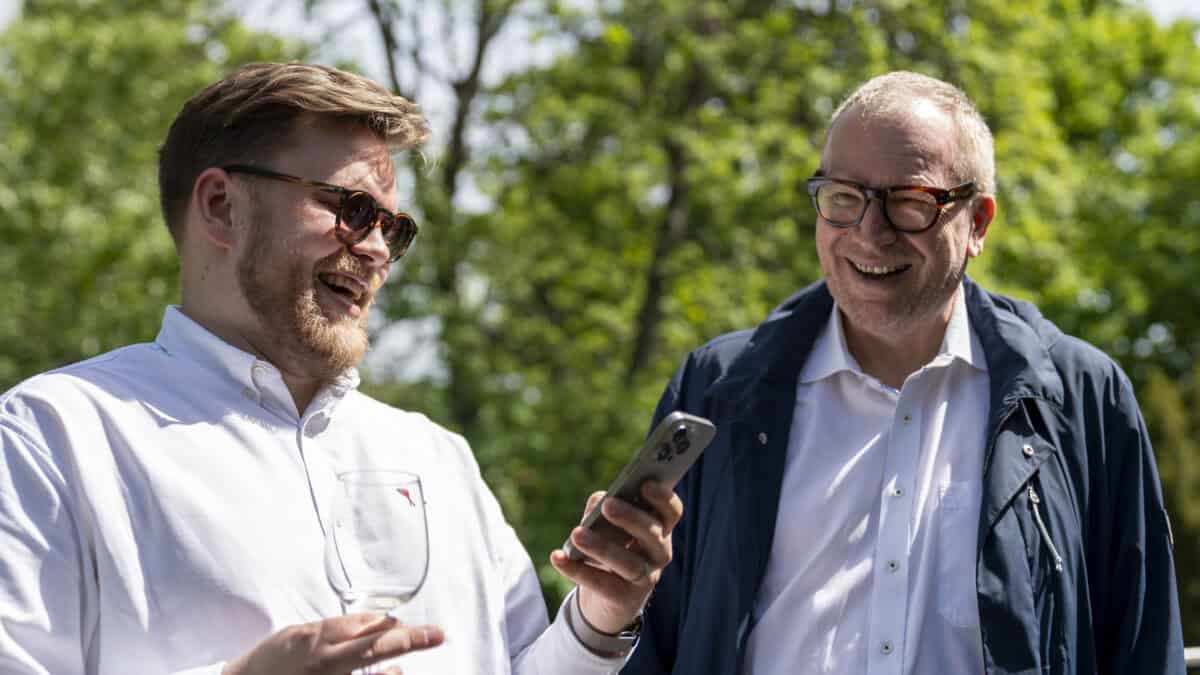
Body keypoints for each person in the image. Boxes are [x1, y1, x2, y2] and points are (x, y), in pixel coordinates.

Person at [0, 62, 679, 675]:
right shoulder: (53, 437)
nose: (379, 250)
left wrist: (596, 622)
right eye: (353, 210)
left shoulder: (440, 459)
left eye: (395, 229)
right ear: (221, 206)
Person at [622, 71, 1186, 675]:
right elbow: (644, 638)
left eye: (910, 203)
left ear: (978, 224)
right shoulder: (717, 391)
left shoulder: (1081, 399)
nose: (871, 234)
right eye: (844, 198)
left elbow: (1144, 648)